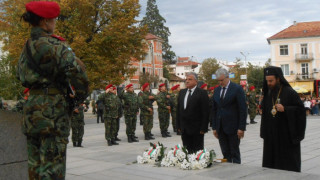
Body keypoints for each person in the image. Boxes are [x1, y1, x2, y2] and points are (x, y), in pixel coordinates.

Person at [16, 1, 89, 179]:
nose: (55, 23)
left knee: (35, 168)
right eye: (54, 19)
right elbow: (79, 74)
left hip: (32, 112)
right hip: (53, 114)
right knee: (52, 169)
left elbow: (19, 75)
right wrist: (78, 97)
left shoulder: (26, 48)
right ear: (45, 21)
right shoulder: (55, 46)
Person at [260, 66, 306, 172]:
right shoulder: (268, 94)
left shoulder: (290, 92)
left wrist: (286, 109)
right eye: (267, 81)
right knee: (271, 166)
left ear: (278, 79)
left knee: (287, 167)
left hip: (286, 137)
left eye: (271, 81)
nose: (269, 83)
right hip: (271, 137)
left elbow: (300, 111)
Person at [211, 68, 247, 164]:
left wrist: (241, 128)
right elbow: (214, 110)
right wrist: (214, 127)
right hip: (221, 127)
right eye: (218, 80)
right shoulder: (217, 90)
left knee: (234, 153)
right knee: (225, 153)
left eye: (222, 80)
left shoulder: (237, 89)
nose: (220, 82)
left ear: (227, 77)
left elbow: (242, 109)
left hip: (233, 127)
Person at [176, 72, 209, 154]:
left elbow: (205, 111)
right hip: (184, 128)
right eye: (186, 79)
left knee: (197, 151)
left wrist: (204, 127)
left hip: (197, 128)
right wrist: (178, 125)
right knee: (187, 150)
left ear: (196, 81)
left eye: (190, 79)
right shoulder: (182, 92)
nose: (187, 81)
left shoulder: (202, 93)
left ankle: (197, 164)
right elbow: (178, 110)